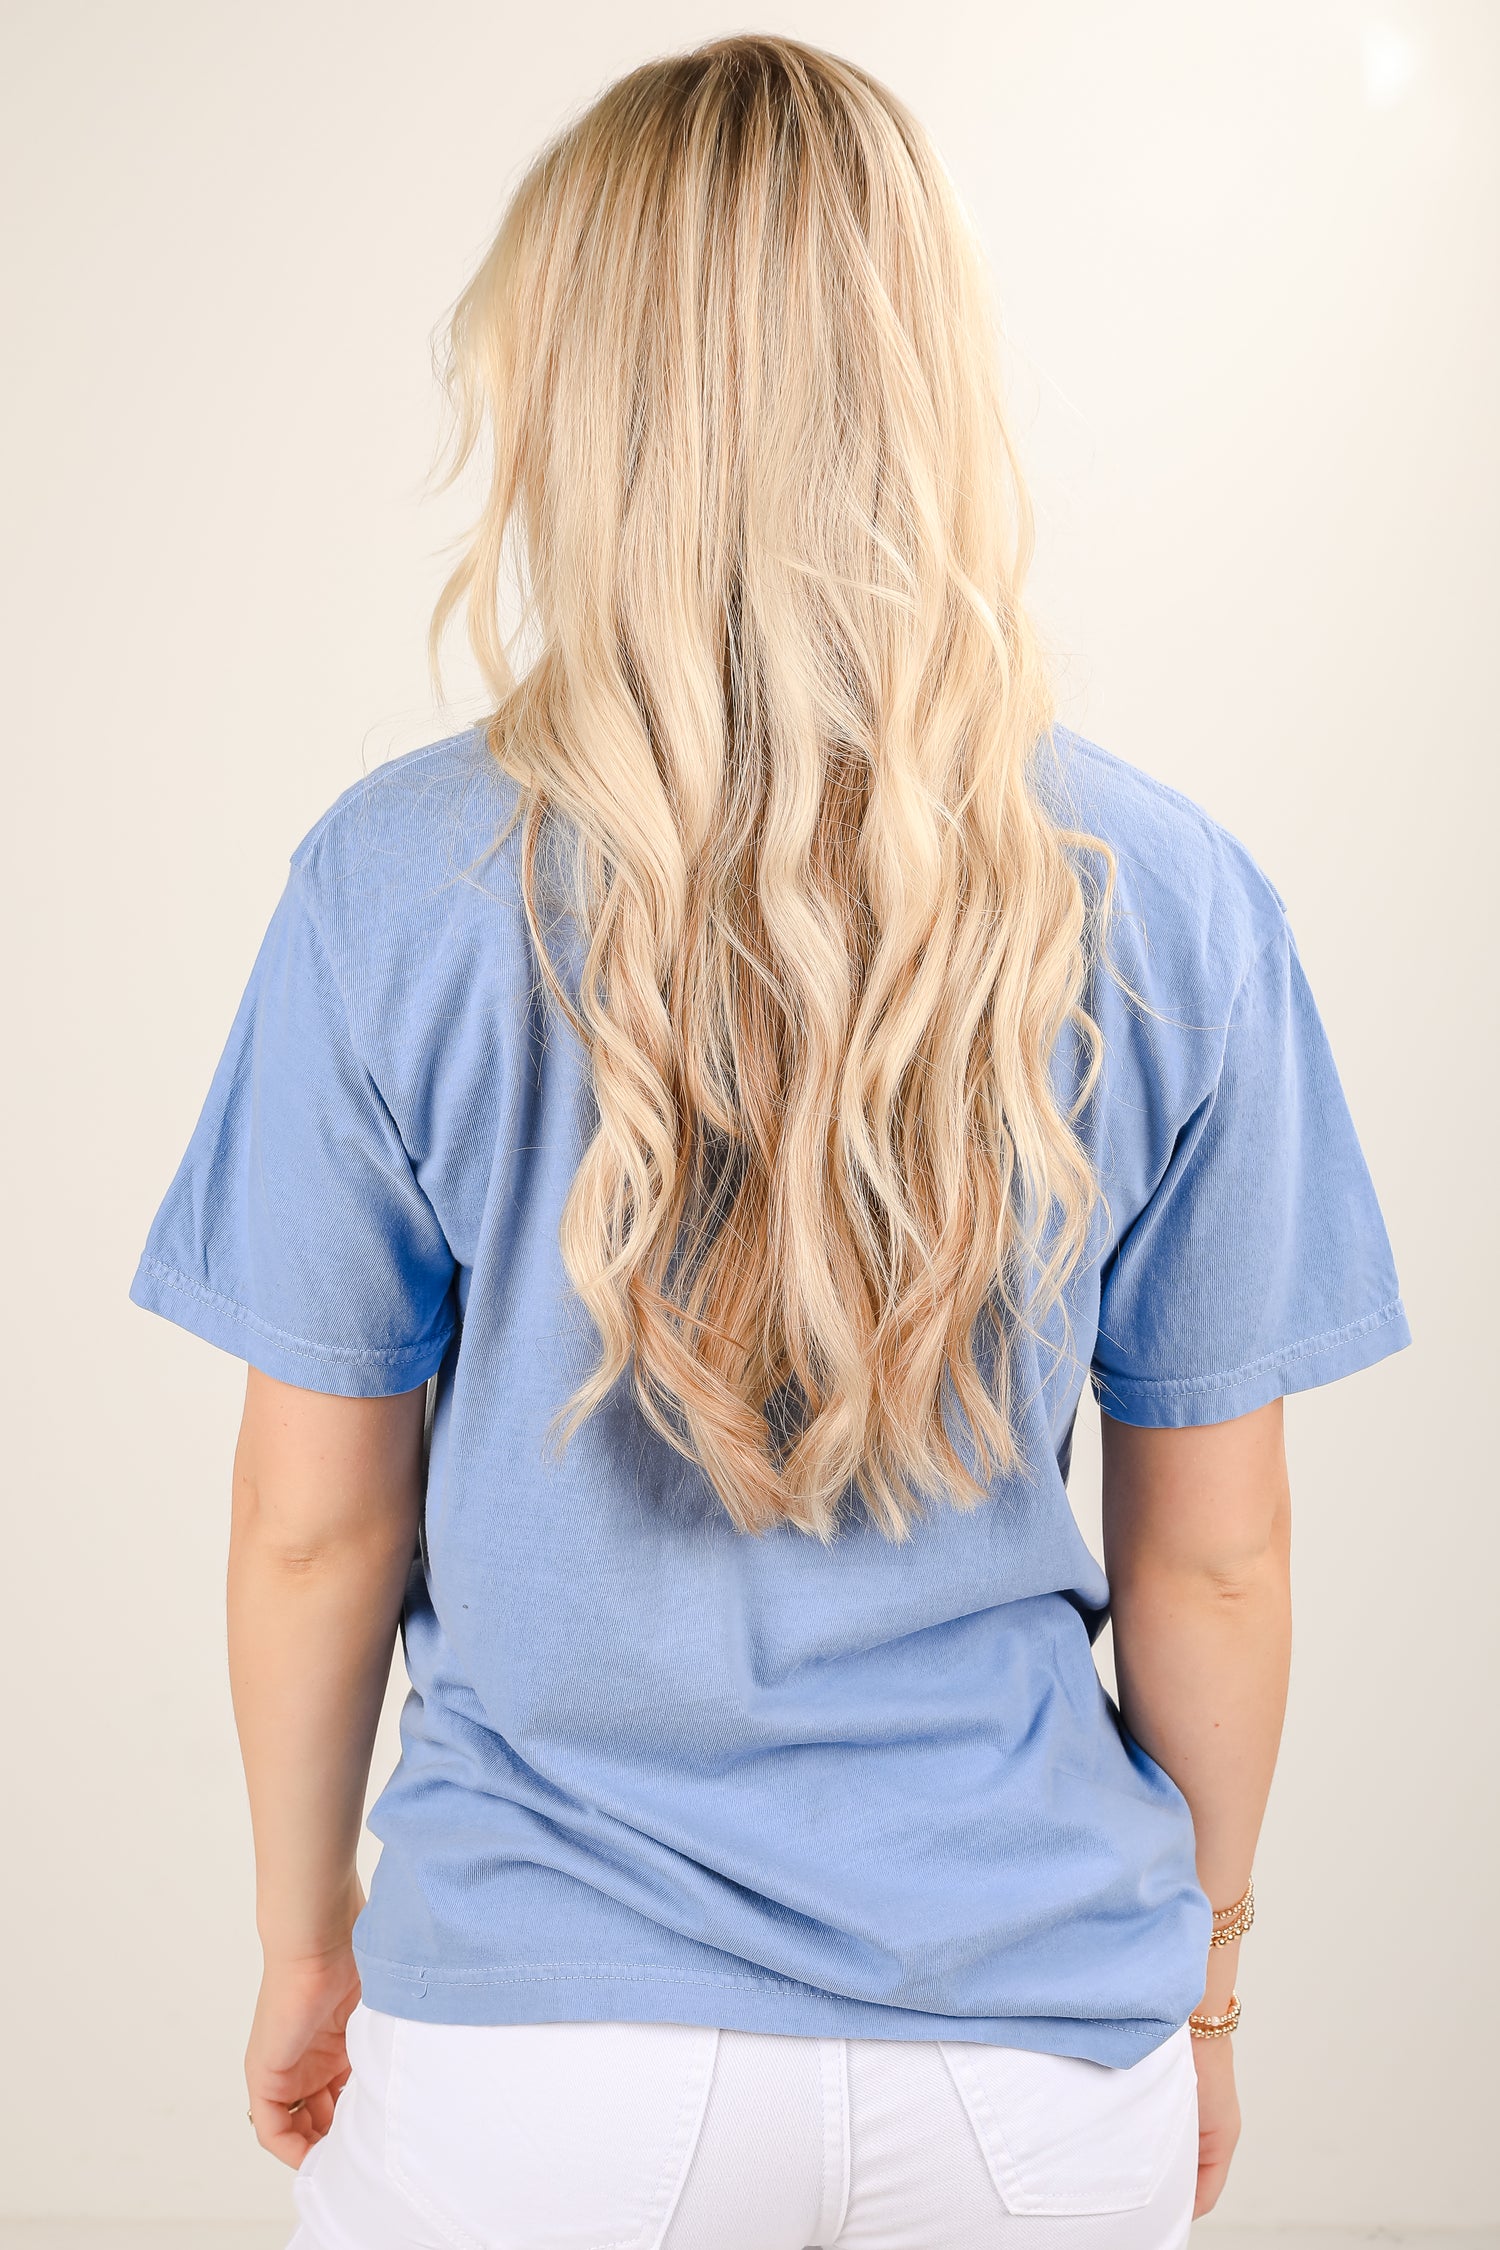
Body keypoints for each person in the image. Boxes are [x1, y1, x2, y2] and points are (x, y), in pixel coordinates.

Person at [129, 35, 1411, 2250]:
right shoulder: (1172, 899)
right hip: (1030, 2057)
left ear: (575, 396)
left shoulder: (393, 886)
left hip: (542, 2044)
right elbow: (1217, 1560)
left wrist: (303, 1941)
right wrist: (1202, 1997)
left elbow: (311, 1530)